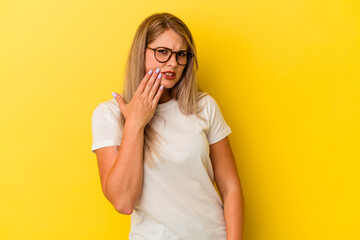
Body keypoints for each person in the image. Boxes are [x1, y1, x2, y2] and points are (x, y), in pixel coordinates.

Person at [91, 12, 244, 240]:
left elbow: (231, 187)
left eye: (181, 54)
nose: (173, 63)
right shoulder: (109, 115)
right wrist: (135, 124)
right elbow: (123, 202)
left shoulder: (204, 107)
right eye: (162, 52)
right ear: (140, 53)